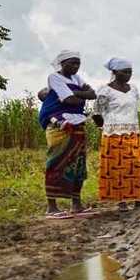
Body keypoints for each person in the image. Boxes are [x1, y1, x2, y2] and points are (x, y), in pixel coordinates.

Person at [39, 50, 95, 218]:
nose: (76, 66)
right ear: (62, 64)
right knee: (56, 163)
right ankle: (51, 207)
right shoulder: (54, 77)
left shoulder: (76, 79)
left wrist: (74, 93)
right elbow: (69, 100)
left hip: (77, 123)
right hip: (59, 126)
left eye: (78, 63)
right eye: (72, 63)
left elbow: (92, 94)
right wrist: (77, 95)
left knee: (78, 165)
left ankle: (76, 204)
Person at [91, 58, 140, 209]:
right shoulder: (105, 90)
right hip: (113, 135)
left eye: (130, 72)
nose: (128, 75)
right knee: (118, 169)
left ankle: (138, 197)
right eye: (125, 72)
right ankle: (121, 200)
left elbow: (137, 110)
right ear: (115, 72)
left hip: (133, 132)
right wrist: (105, 127)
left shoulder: (133, 89)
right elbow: (96, 113)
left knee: (137, 165)